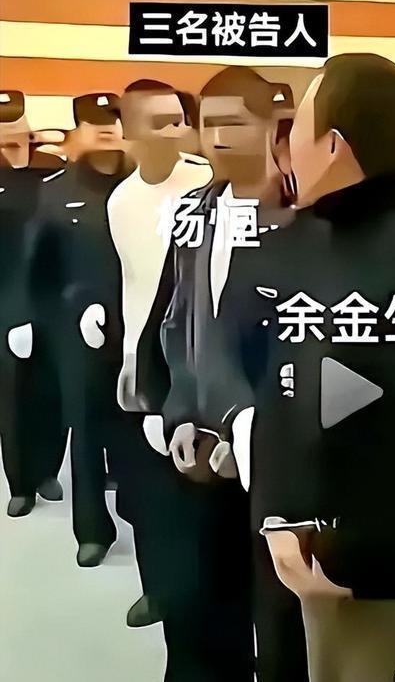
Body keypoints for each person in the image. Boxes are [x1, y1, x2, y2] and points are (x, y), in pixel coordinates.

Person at [196, 54, 395, 682]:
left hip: (380, 581)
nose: (284, 146)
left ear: (333, 148)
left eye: (297, 129)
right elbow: (278, 389)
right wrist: (277, 510)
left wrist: (348, 552)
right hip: (295, 551)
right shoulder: (287, 248)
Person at [135, 66, 307, 682]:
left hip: (277, 456)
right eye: (208, 124)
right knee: (196, 618)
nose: (218, 137)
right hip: (198, 451)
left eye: (235, 122)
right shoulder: (194, 212)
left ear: (273, 128)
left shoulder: (306, 216)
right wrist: (176, 409)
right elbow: (178, 319)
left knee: (284, 628)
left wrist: (253, 432)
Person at [107, 79, 212, 633]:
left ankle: (199, 595)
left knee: (197, 484)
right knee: (147, 489)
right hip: (146, 360)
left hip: (198, 354)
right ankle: (156, 588)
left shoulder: (206, 184)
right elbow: (133, 282)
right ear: (129, 132)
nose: (177, 130)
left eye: (180, 119)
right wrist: (131, 357)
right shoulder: (121, 202)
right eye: (161, 122)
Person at [26, 93, 140, 566]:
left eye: (114, 119)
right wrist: (59, 316)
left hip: (142, 326)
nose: (107, 129)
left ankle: (142, 514)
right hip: (80, 334)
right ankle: (92, 529)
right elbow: (40, 271)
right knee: (87, 429)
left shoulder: (145, 186)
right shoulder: (55, 192)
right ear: (77, 133)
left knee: (140, 427)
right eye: (94, 122)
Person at [0, 89, 67, 518]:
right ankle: (20, 483)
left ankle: (47, 471)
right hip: (7, 301)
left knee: (54, 391)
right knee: (13, 397)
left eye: (15, 122)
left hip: (55, 300)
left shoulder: (52, 172)